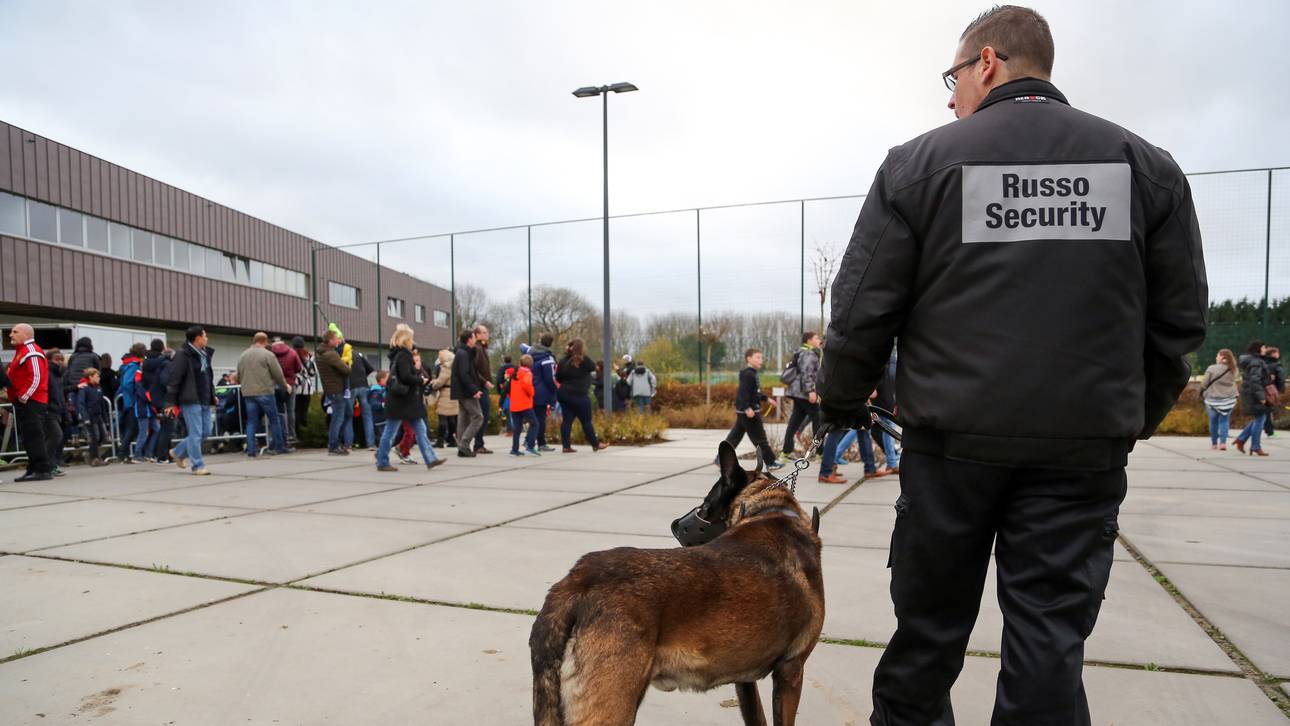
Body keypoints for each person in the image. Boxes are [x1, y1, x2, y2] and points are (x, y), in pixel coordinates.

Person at [816, 7, 1207, 723]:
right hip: (1080, 457)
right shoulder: (1147, 169)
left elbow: (861, 310)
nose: (950, 94)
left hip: (950, 451)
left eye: (953, 76)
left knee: (927, 638)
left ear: (986, 63)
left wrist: (839, 401)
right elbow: (1178, 324)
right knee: (1049, 645)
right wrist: (1125, 419)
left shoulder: (918, 166)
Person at [376, 325, 444, 472]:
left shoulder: (397, 355)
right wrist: (420, 380)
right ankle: (382, 460)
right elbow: (406, 376)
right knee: (393, 431)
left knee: (418, 430)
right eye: (411, 338)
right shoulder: (404, 355)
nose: (413, 341)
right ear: (406, 340)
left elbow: (403, 375)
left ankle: (431, 458)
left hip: (402, 401)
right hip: (403, 402)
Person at [166, 326, 217, 476]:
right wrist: (170, 402)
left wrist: (212, 394)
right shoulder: (183, 355)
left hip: (205, 398)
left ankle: (177, 452)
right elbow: (174, 379)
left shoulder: (204, 354)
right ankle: (197, 466)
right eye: (205, 336)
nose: (207, 338)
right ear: (198, 338)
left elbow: (208, 376)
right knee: (195, 434)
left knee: (206, 431)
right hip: (190, 399)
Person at [723, 348, 783, 471]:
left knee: (734, 437)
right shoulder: (748, 374)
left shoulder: (751, 373)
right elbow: (743, 393)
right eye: (758, 357)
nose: (761, 360)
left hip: (745, 412)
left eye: (761, 357)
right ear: (749, 359)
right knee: (760, 439)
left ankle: (721, 458)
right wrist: (746, 408)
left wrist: (766, 399)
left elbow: (754, 393)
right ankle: (771, 462)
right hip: (749, 412)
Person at [6, 324, 51, 481]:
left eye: (15, 332)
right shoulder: (22, 351)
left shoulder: (31, 351)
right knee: (29, 437)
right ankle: (33, 468)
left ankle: (42, 469)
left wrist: (24, 396)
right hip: (27, 401)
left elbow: (36, 376)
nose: (11, 334)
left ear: (26, 334)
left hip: (32, 401)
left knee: (34, 436)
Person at [236, 332, 290, 458]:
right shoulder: (268, 354)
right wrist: (285, 385)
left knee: (251, 422)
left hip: (248, 393)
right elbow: (277, 373)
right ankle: (279, 447)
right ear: (264, 341)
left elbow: (238, 375)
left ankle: (251, 450)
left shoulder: (243, 355)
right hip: (265, 391)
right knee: (274, 420)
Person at [556, 338, 608, 453]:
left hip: (564, 394)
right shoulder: (584, 361)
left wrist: (568, 354)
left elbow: (558, 378)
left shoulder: (563, 361)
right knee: (586, 421)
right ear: (581, 349)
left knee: (567, 420)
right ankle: (595, 444)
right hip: (579, 395)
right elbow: (593, 367)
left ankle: (566, 446)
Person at [780, 332, 822, 461]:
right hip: (804, 393)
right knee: (818, 418)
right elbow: (807, 373)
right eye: (816, 338)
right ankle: (821, 452)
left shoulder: (800, 351)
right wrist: (810, 391)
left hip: (796, 392)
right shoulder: (809, 353)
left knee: (795, 420)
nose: (819, 340)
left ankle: (785, 453)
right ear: (809, 340)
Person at [316, 330, 352, 456]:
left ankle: (336, 444)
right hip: (337, 390)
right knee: (338, 418)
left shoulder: (322, 353)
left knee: (342, 415)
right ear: (330, 340)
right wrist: (347, 365)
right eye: (336, 338)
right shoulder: (331, 354)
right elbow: (346, 370)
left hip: (331, 390)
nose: (338, 340)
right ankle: (333, 446)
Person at [451, 329, 485, 458]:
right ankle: (464, 444)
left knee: (463, 419)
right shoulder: (464, 354)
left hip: (461, 391)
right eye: (474, 337)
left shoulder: (462, 352)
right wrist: (474, 390)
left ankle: (462, 448)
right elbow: (464, 374)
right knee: (478, 417)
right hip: (466, 391)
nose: (475, 339)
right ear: (469, 339)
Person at [521, 333, 558, 452]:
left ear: (540, 341)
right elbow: (549, 379)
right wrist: (554, 392)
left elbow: (521, 346)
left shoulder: (530, 352)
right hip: (542, 393)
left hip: (530, 390)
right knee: (540, 419)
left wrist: (530, 347)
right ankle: (538, 443)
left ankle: (529, 440)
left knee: (534, 418)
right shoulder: (548, 359)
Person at [1234, 341, 1272, 456]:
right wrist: (1261, 397)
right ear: (1258, 349)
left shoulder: (1253, 361)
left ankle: (1241, 439)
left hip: (1250, 393)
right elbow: (1255, 381)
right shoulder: (1256, 362)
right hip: (1255, 394)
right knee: (1260, 418)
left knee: (1259, 418)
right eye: (1264, 347)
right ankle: (1255, 446)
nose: (1265, 350)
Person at [1202, 349, 1239, 450]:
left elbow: (1204, 383)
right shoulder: (1233, 369)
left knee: (1213, 421)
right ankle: (1223, 443)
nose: (1216, 358)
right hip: (1228, 399)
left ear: (1222, 357)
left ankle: (1214, 443)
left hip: (1212, 399)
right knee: (1224, 421)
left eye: (1217, 356)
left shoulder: (1211, 368)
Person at [75, 367, 111, 467]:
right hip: (90, 417)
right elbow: (81, 404)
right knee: (94, 437)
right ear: (90, 377)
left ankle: (91, 454)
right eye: (97, 376)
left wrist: (105, 418)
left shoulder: (98, 388)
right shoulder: (84, 388)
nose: (99, 378)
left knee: (103, 437)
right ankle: (94, 458)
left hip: (98, 415)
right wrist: (85, 417)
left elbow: (102, 404)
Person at [118, 343, 146, 464]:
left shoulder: (126, 364)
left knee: (129, 427)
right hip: (131, 401)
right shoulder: (134, 365)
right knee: (132, 428)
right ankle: (122, 453)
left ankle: (123, 454)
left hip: (126, 400)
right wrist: (134, 395)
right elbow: (128, 383)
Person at [271, 336, 303, 441]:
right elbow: (299, 368)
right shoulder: (292, 352)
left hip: (275, 384)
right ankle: (291, 434)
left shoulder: (270, 353)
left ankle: (280, 435)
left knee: (278, 411)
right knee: (290, 411)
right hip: (290, 384)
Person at [509, 354, 540, 456]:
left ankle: (514, 449)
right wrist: (532, 393)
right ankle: (530, 445)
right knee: (535, 423)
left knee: (517, 428)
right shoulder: (527, 373)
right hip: (525, 403)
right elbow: (527, 385)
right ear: (530, 364)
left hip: (514, 404)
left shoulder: (515, 373)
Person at [44, 349, 68, 476]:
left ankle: (53, 463)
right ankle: (47, 464)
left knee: (57, 437)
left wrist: (65, 411)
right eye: (56, 359)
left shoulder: (59, 375)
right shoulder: (47, 373)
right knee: (55, 435)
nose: (59, 362)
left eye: (61, 360)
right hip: (49, 410)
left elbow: (60, 394)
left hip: (58, 409)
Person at [471, 324, 495, 454]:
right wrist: (484, 381)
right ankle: (477, 444)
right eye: (484, 332)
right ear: (477, 335)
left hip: (482, 386)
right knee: (482, 416)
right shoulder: (478, 348)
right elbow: (474, 369)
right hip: (479, 387)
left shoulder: (482, 348)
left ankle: (478, 443)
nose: (487, 334)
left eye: (487, 332)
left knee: (483, 416)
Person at [347, 348, 376, 449]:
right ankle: (370, 443)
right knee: (367, 416)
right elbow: (371, 368)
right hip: (363, 385)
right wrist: (363, 376)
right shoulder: (358, 354)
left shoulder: (341, 354)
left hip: (350, 386)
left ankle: (348, 444)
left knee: (348, 416)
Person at [431, 348, 458, 449]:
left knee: (442, 418)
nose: (439, 359)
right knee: (452, 419)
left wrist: (433, 383)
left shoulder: (445, 368)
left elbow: (439, 382)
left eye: (440, 357)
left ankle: (440, 441)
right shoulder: (455, 367)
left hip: (445, 395)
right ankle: (452, 439)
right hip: (454, 394)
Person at [293, 337, 316, 441]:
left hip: (296, 386)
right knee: (304, 412)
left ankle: (297, 434)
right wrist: (311, 360)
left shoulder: (291, 355)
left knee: (296, 411)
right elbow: (312, 373)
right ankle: (305, 433)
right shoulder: (308, 356)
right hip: (307, 388)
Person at [1263, 346, 1283, 437]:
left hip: (1262, 389)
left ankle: (1268, 429)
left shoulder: (1263, 363)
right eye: (1277, 353)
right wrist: (1280, 389)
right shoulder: (1276, 364)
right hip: (1272, 390)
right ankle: (1269, 430)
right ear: (1273, 354)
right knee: (1269, 410)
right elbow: (1280, 378)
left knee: (1265, 410)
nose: (1278, 355)